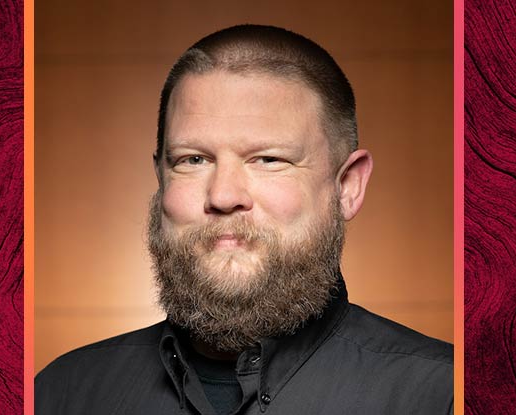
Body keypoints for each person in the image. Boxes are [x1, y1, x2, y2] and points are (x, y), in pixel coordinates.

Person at [36, 24, 452, 414]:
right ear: (160, 178)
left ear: (347, 187)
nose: (223, 195)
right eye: (193, 160)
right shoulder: (60, 394)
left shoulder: (442, 394)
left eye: (269, 159)